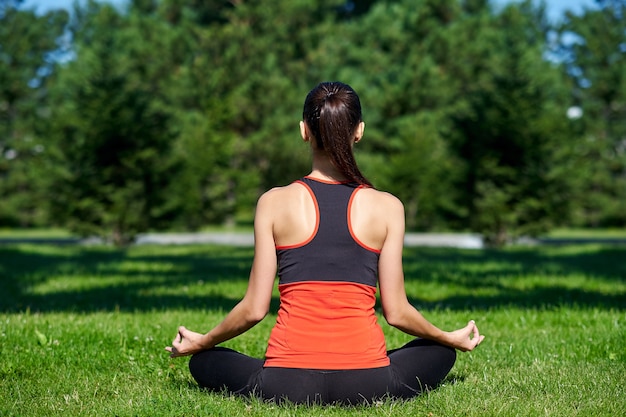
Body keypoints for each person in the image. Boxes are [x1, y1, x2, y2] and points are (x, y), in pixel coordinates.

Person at [165, 81, 485, 405]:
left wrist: (202, 342)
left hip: (286, 383)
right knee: (439, 352)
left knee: (204, 361)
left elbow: (254, 310)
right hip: (368, 382)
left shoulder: (273, 203)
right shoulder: (388, 207)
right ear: (359, 131)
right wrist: (448, 338)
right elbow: (398, 313)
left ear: (304, 130)